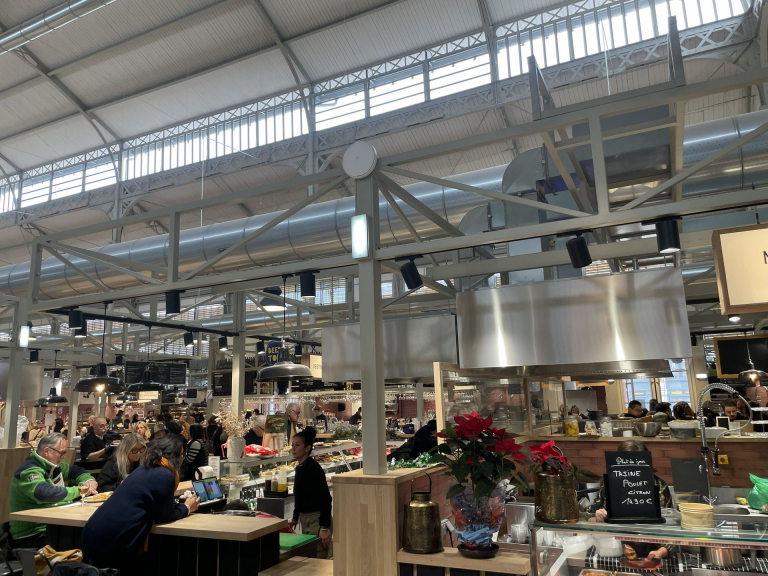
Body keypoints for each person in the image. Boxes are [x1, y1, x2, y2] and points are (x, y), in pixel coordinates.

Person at [82, 435, 199, 573]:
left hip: (94, 534)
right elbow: (165, 516)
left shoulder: (145, 468)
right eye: (182, 454)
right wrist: (187, 507)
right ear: (175, 456)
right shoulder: (165, 474)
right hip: (114, 542)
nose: (183, 458)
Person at [586, 439, 673, 559]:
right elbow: (585, 518)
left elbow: (671, 529)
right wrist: (597, 518)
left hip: (651, 553)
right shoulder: (609, 486)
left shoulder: (659, 487)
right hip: (612, 550)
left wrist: (661, 552)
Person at [10, 433, 97, 548]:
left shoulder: (54, 466)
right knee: (86, 540)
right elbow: (45, 493)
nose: (64, 457)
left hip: (53, 526)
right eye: (61, 453)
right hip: (32, 534)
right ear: (47, 451)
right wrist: (81, 490)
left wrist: (89, 481)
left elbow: (76, 471)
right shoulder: (28, 470)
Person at [288, 427, 332, 559]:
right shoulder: (300, 467)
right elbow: (299, 496)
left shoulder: (313, 468)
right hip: (305, 518)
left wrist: (324, 527)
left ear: (307, 448)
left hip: (316, 520)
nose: (293, 449)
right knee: (308, 558)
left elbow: (325, 498)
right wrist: (296, 517)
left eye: (297, 445)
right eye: (292, 445)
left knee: (318, 559)